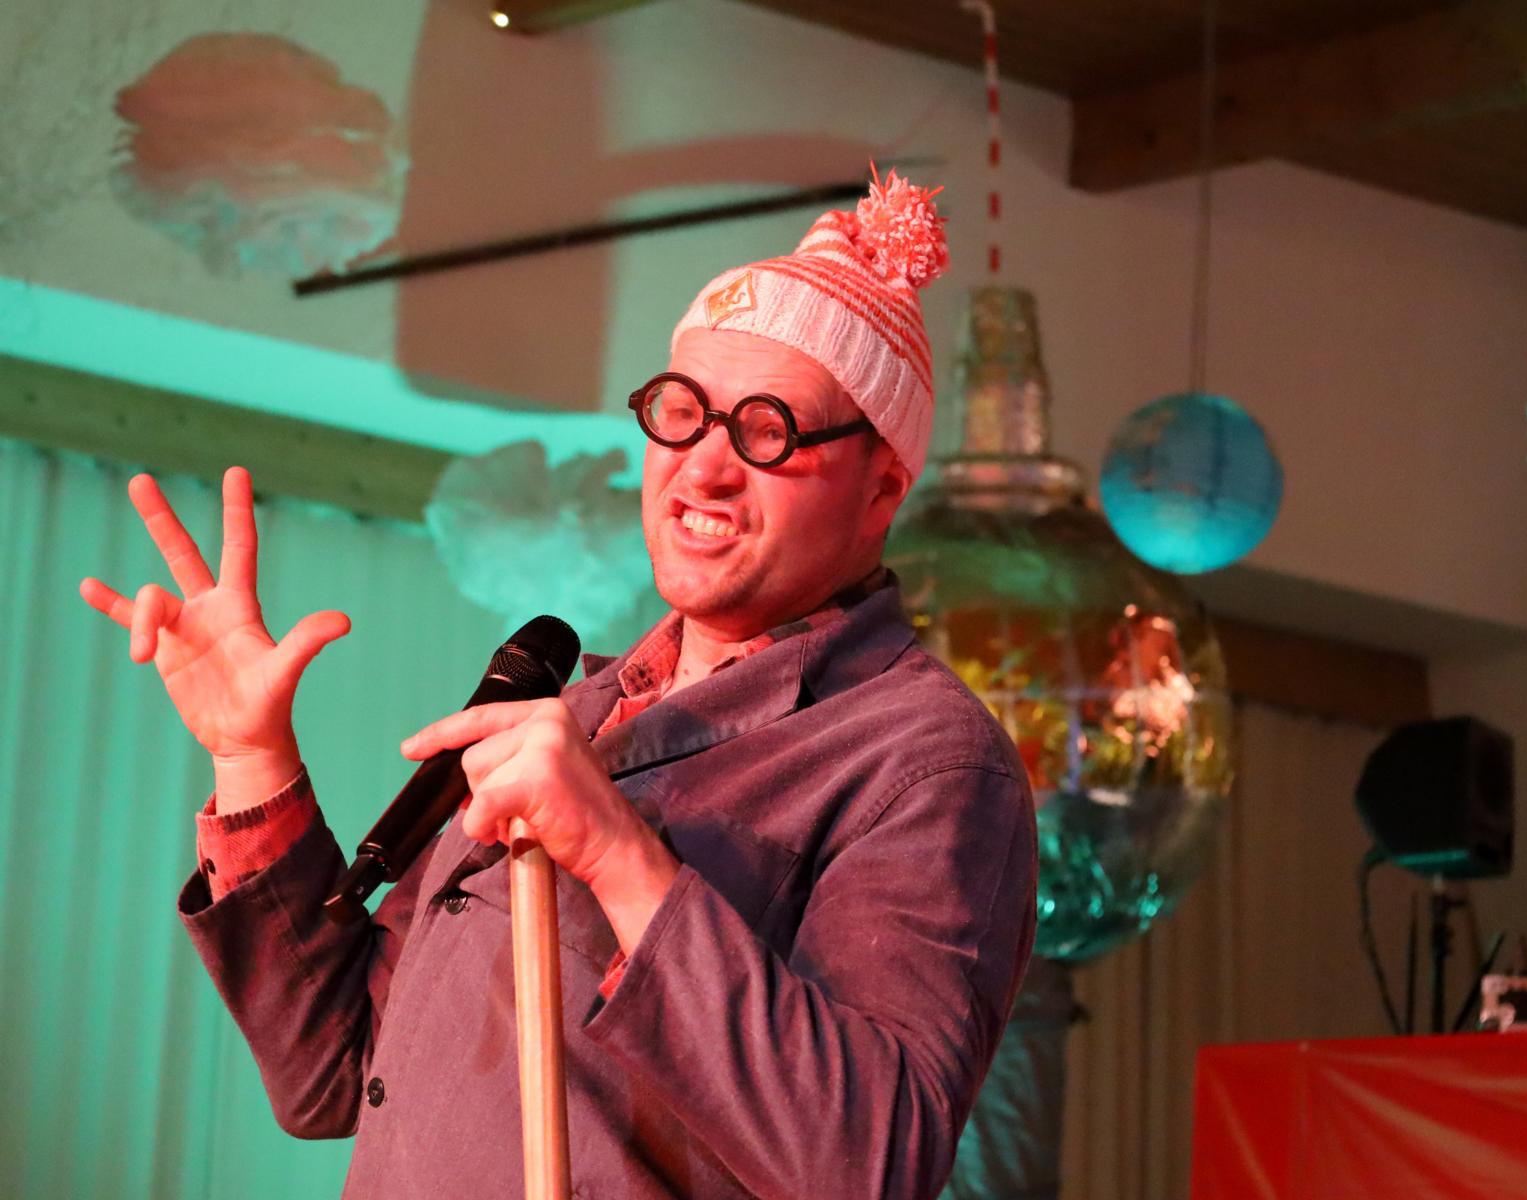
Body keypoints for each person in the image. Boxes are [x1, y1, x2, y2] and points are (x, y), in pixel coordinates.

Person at [76, 173, 1037, 1199]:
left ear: (884, 485)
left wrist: (619, 855)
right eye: (683, 413)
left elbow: (869, 1163)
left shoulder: (925, 761)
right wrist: (252, 761)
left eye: (768, 430)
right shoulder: (576, 713)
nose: (703, 469)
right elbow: (337, 1072)